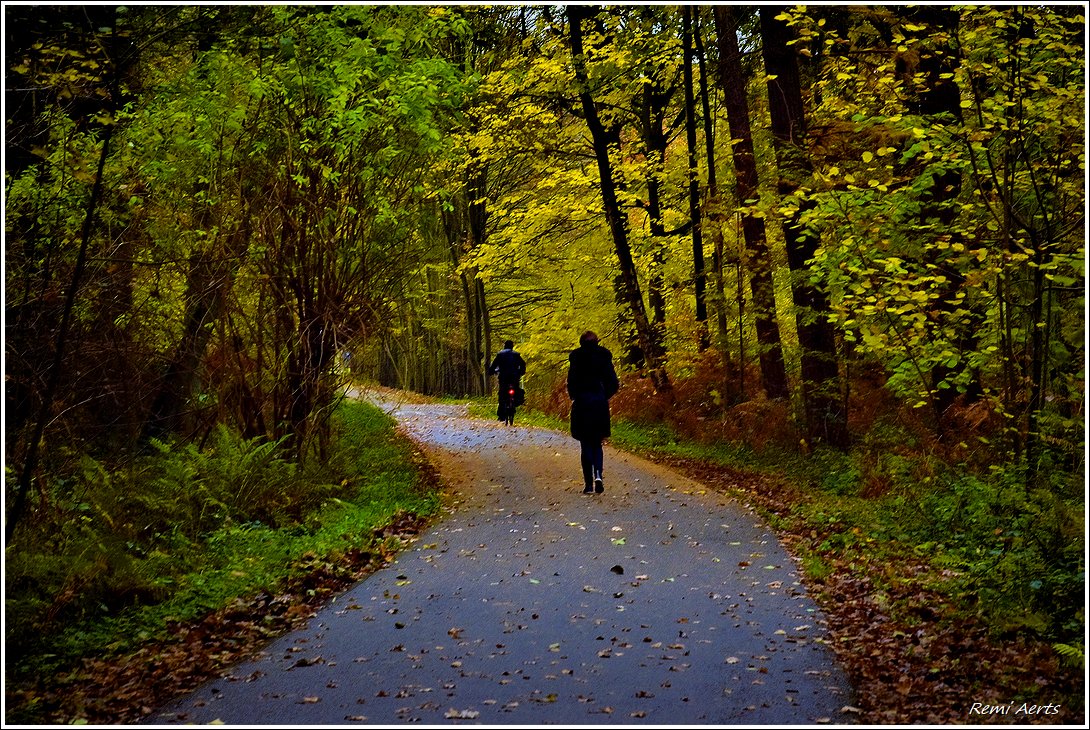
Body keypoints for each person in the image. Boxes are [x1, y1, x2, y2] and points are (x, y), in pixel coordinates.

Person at [566, 330, 619, 494]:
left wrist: (574, 396)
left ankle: (588, 484)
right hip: (599, 403)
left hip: (582, 403)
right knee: (597, 443)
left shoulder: (576, 358)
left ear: (581, 342)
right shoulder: (604, 357)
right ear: (597, 342)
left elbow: (571, 381)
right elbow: (613, 382)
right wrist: (604, 396)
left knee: (585, 443)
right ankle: (598, 475)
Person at [488, 340, 526, 424]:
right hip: (514, 377)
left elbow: (494, 365)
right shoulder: (516, 355)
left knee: (502, 393)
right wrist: (521, 372)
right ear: (512, 346)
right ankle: (516, 403)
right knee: (516, 389)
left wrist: (491, 371)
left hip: (504, 377)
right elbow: (523, 364)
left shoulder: (500, 354)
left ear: (504, 346)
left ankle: (501, 415)